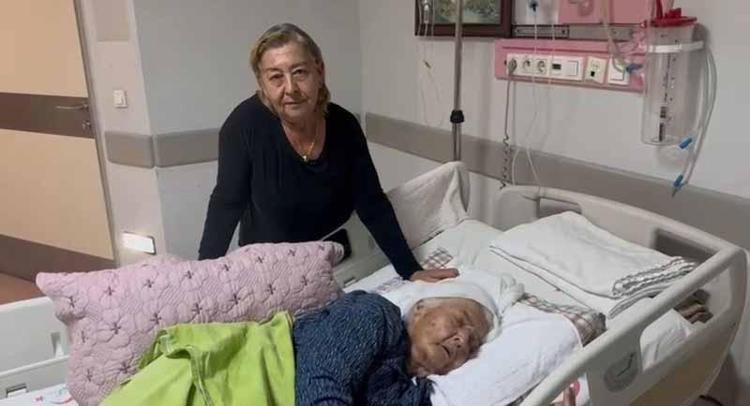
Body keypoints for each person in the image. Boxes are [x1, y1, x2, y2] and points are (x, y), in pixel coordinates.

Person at [198, 22, 454, 282]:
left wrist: (410, 269)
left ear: (319, 72)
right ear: (262, 83)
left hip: (337, 262)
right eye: (276, 77)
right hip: (270, 270)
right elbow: (226, 205)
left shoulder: (345, 127)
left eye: (299, 72)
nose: (290, 88)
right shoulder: (243, 127)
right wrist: (201, 279)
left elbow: (372, 204)